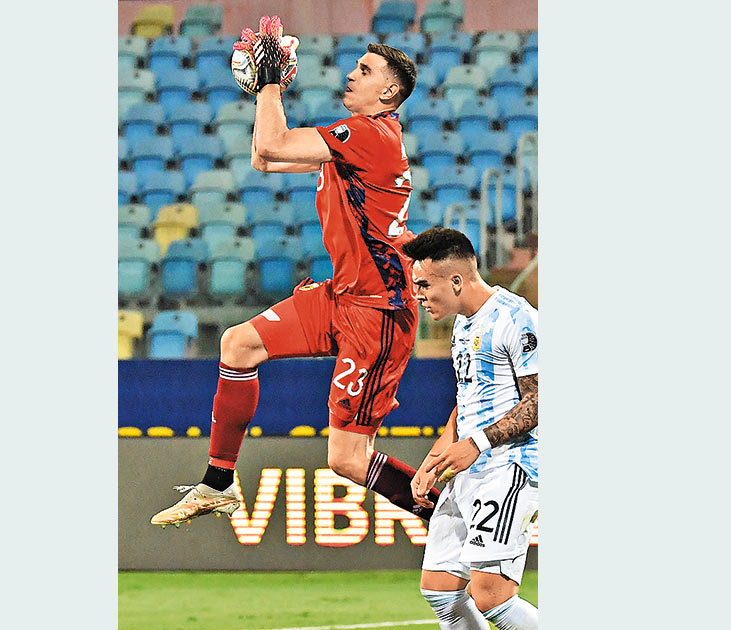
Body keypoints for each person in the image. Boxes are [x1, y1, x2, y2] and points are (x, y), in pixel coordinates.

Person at [150, 22, 439, 527]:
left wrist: (270, 85)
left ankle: (452, 515)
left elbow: (275, 144)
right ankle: (217, 484)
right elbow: (264, 158)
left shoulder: (371, 135)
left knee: (347, 459)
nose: (351, 75)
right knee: (238, 344)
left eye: (365, 70)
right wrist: (264, 93)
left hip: (379, 312)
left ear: (389, 92)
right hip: (343, 295)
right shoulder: (355, 141)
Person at [402, 228, 540, 630]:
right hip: (469, 468)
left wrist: (476, 444)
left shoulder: (517, 318)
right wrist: (434, 460)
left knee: (491, 597)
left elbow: (539, 400)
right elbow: (467, 398)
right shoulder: (463, 325)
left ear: (457, 280)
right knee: (441, 591)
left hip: (509, 467)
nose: (417, 295)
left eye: (424, 285)